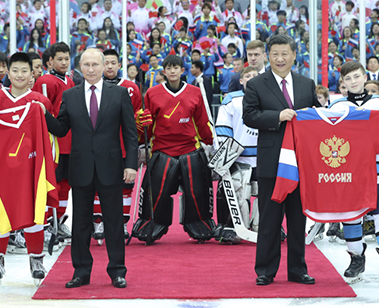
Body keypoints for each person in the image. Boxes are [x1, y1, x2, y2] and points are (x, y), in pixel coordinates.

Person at [39, 48, 138, 288]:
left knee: (113, 221)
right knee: (81, 223)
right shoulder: (70, 95)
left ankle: (117, 271)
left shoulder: (120, 94)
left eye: (95, 64)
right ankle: (81, 272)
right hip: (81, 167)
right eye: (86, 65)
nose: (91, 69)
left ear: (104, 66)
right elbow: (61, 129)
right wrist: (42, 114)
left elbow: (131, 133)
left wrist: (131, 165)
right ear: (80, 67)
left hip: (112, 166)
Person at [242, 34, 320, 286]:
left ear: (294, 55)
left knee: (298, 220)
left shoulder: (307, 84)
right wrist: (277, 116)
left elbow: (318, 116)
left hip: (301, 164)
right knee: (270, 219)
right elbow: (249, 116)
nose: (280, 58)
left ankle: (298, 270)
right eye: (274, 54)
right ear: (267, 56)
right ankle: (265, 270)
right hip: (272, 162)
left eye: (284, 53)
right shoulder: (257, 84)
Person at [132, 55, 215, 243]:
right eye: (168, 68)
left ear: (182, 70)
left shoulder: (195, 92)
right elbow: (147, 126)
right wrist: (141, 127)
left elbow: (202, 122)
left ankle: (199, 223)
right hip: (162, 148)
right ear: (164, 70)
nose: (172, 71)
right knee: (156, 192)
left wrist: (209, 141)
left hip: (190, 148)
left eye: (175, 67)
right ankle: (150, 223)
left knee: (197, 191)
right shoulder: (152, 93)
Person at [0, 52, 58, 285]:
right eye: (15, 71)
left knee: (35, 213)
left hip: (32, 168)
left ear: (32, 73)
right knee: (1, 214)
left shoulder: (39, 102)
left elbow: (50, 137)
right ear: (8, 72)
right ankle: (0, 258)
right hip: (3, 170)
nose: (20, 75)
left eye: (25, 71)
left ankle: (36, 259)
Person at [328, 61, 379, 282]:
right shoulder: (336, 107)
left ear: (365, 77)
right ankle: (357, 257)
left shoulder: (378, 103)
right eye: (348, 79)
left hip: (376, 166)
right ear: (342, 83)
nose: (353, 82)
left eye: (356, 77)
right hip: (349, 170)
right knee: (350, 213)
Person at [91, 49, 142, 241]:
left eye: (114, 63)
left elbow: (137, 115)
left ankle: (122, 225)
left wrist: (142, 122)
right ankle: (98, 223)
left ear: (120, 65)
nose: (110, 66)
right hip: (100, 147)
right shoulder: (93, 87)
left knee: (125, 187)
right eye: (107, 63)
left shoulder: (131, 88)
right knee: (97, 185)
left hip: (123, 147)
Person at [33, 42, 76, 247]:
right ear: (50, 61)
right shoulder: (45, 81)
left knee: (66, 183)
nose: (64, 62)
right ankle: (47, 224)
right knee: (52, 183)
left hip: (70, 140)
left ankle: (58, 220)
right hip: (53, 142)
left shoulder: (70, 80)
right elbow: (41, 112)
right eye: (60, 59)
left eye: (67, 58)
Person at [214, 66, 259, 243]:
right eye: (248, 75)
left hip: (263, 156)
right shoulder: (232, 99)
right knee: (233, 189)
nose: (252, 78)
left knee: (266, 192)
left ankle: (266, 226)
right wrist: (228, 155)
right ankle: (228, 226)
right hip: (239, 157)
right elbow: (224, 128)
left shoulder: (270, 98)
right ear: (241, 81)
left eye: (255, 75)